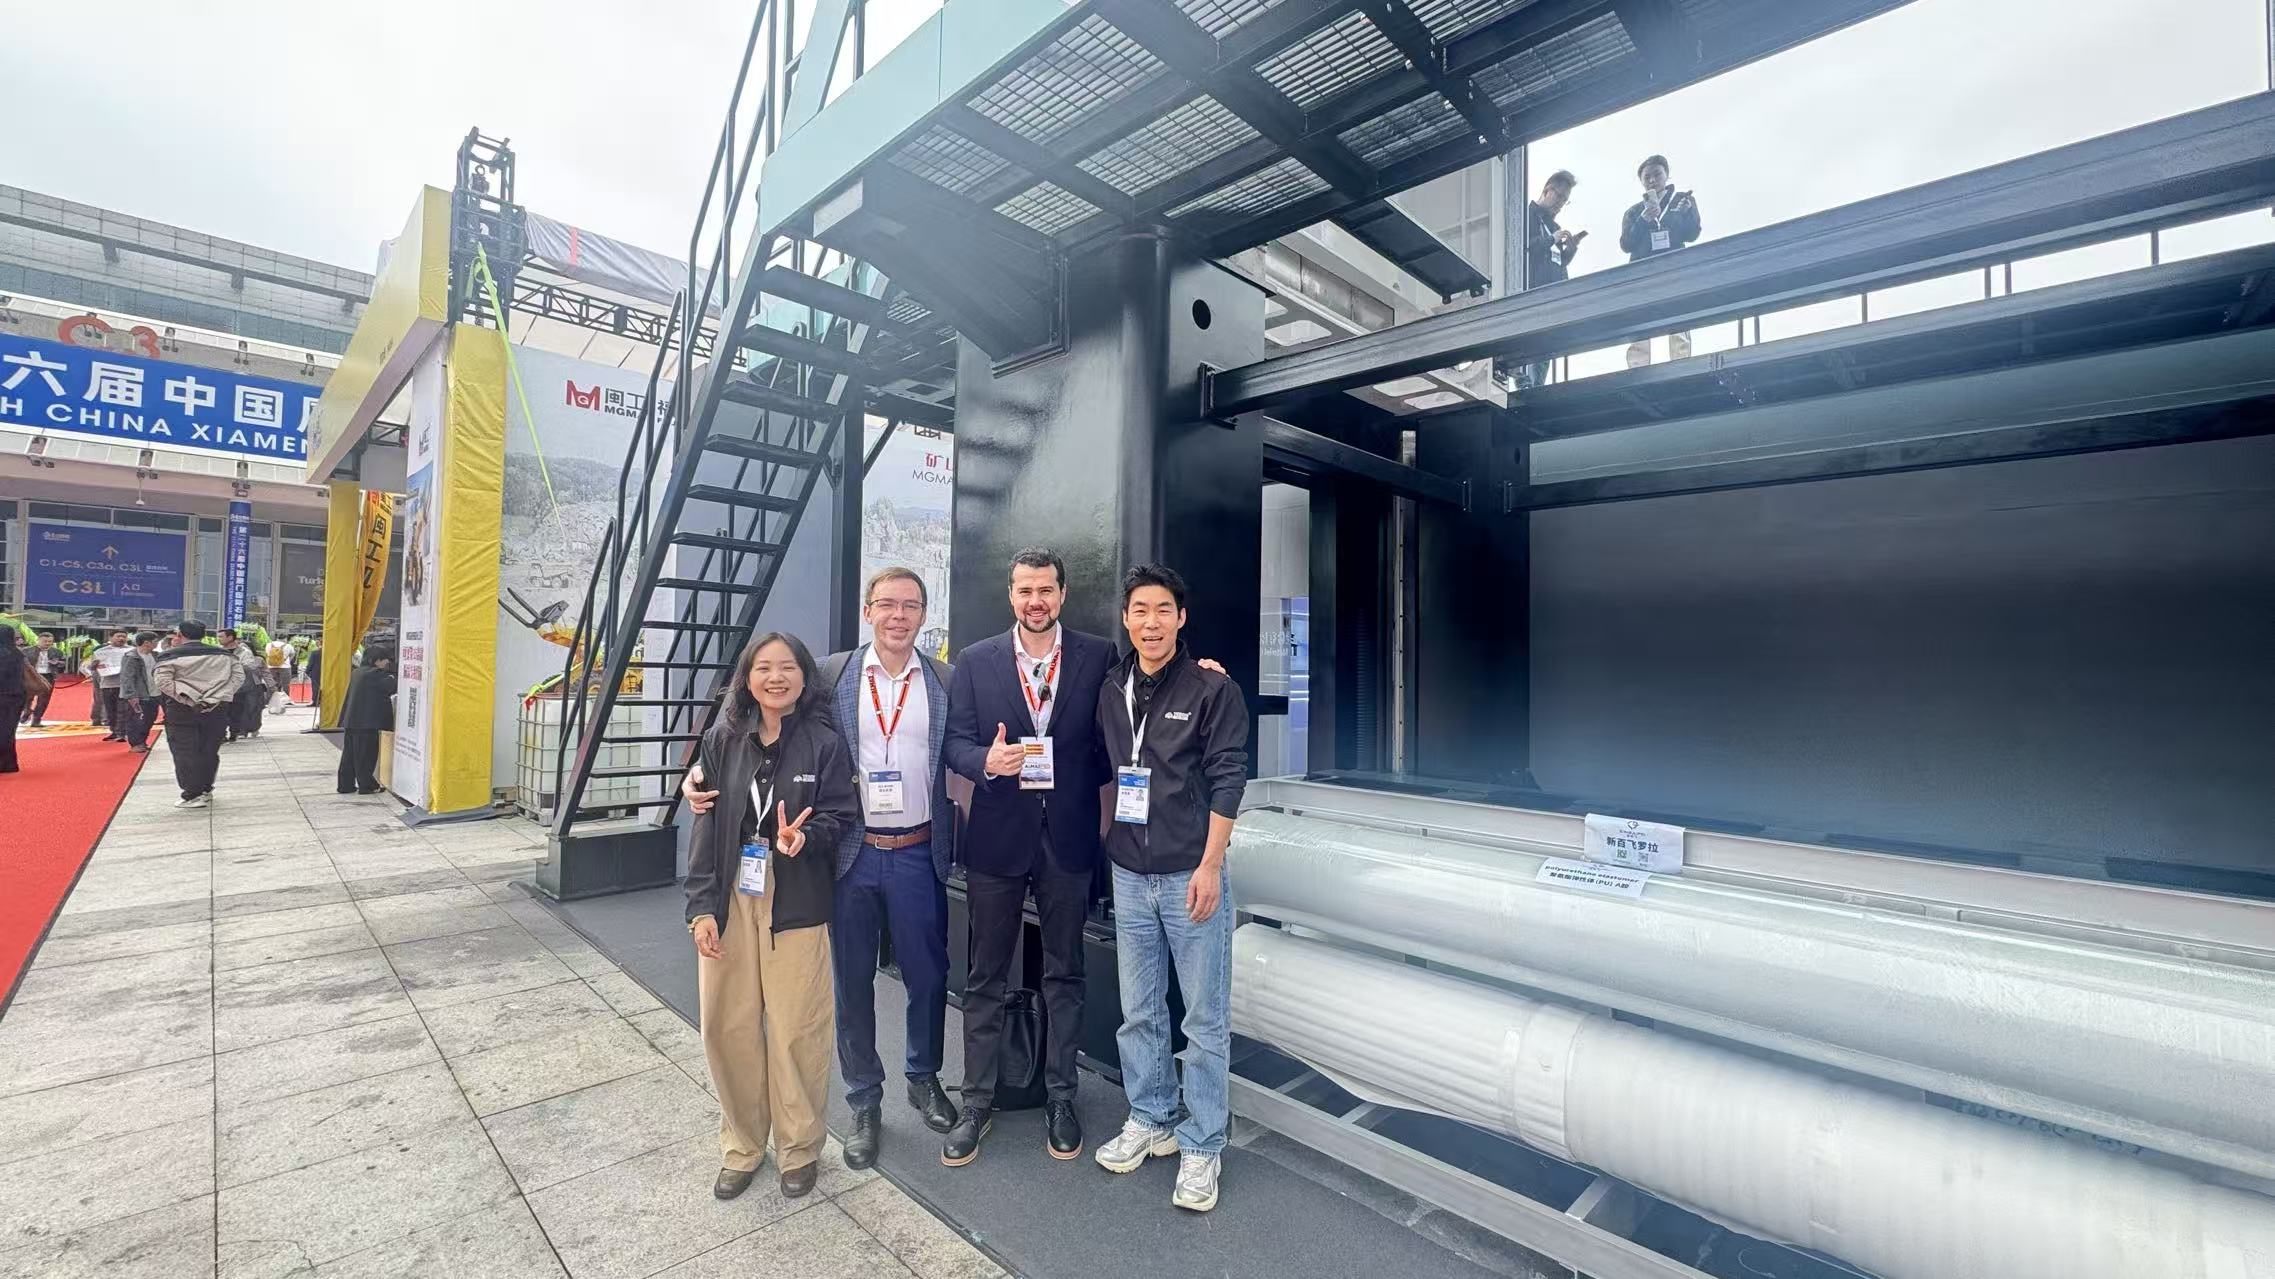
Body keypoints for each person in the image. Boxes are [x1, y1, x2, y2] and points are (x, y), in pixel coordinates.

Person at [682, 566, 961, 1168]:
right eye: (886, 604)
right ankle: (864, 1100)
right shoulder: (832, 674)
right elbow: (752, 721)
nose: (898, 616)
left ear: (923, 613)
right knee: (851, 981)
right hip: (851, 853)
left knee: (928, 975)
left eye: (910, 605)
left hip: (918, 849)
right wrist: (699, 775)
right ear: (868, 610)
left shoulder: (944, 678)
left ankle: (923, 1077)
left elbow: (963, 744)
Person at [938, 547, 1118, 1167]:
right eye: (1025, 591)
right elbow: (954, 743)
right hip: (997, 835)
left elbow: (1127, 719)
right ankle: (977, 1101)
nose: (1035, 601)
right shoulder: (976, 660)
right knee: (985, 974)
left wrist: (1202, 670)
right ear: (1010, 595)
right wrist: (984, 761)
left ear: (1062, 594)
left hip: (1068, 836)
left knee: (1065, 971)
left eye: (1046, 590)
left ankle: (1061, 1096)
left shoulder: (1097, 655)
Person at [1088, 564, 1251, 1211]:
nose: (1150, 622)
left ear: (1181, 618)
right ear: (1125, 618)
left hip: (1190, 874)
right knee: (1140, 1010)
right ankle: (1151, 1116)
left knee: (1203, 1018)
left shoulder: (1212, 688)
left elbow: (1229, 776)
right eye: (1139, 610)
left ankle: (1203, 1141)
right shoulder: (1112, 686)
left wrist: (1211, 865)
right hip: (1129, 872)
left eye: (1163, 610)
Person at [685, 631, 858, 1202]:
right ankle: (741, 1145)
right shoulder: (723, 738)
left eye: (788, 667)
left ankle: (799, 1147)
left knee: (796, 1027)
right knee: (725, 1024)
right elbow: (706, 821)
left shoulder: (824, 742)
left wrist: (804, 837)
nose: (776, 677)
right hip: (732, 891)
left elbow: (840, 816)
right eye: (764, 667)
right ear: (747, 677)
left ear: (806, 677)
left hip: (797, 896)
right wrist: (701, 907)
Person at [1619, 154, 1703, 368]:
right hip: (1641, 273)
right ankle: (1637, 367)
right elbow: (1626, 244)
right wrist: (1643, 220)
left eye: (1657, 174)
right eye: (1646, 177)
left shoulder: (1682, 200)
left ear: (1667, 175)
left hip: (1675, 269)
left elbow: (1692, 234)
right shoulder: (1634, 211)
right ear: (1641, 181)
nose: (1652, 180)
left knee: (1678, 316)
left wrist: (1686, 213)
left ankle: (1682, 364)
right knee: (1639, 319)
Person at [154, 620, 245, 809]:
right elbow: (238, 678)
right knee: (209, 750)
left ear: (180, 635)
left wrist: (190, 698)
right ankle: (205, 789)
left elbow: (163, 682)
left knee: (184, 751)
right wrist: (215, 698)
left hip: (181, 710)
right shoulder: (225, 655)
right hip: (217, 709)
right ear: (204, 634)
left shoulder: (169, 656)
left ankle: (192, 794)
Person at [1517, 169, 1585, 389]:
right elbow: (1524, 247)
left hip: (1553, 294)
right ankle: (1525, 384)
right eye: (1559, 196)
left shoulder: (1553, 226)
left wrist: (1570, 250)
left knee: (1545, 344)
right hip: (1531, 291)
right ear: (1547, 190)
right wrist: (1551, 239)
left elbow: (1557, 261)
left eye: (1565, 200)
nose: (1561, 203)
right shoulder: (1525, 214)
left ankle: (1537, 386)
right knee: (1529, 340)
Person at [337, 646, 396, 794]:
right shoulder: (375, 674)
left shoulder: (357, 672)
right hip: (366, 722)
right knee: (366, 755)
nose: (387, 663)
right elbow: (392, 686)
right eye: (385, 660)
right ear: (376, 660)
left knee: (349, 755)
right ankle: (367, 785)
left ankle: (345, 785)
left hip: (352, 720)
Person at [217, 629, 265, 741]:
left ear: (230, 637)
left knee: (236, 711)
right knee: (222, 711)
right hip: (222, 686)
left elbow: (250, 666)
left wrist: (231, 666)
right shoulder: (218, 651)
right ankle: (222, 734)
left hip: (239, 687)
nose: (219, 639)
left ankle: (234, 732)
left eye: (221, 637)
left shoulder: (244, 652)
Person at [117, 631, 161, 754]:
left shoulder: (155, 655)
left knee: (150, 719)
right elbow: (127, 677)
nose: (157, 644)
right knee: (136, 720)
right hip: (138, 694)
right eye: (155, 642)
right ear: (146, 643)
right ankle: (135, 743)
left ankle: (142, 741)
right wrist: (131, 695)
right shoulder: (131, 657)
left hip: (154, 693)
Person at [88, 631, 131, 738]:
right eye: (118, 636)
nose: (121, 638)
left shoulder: (131, 651)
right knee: (110, 710)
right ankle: (114, 731)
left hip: (125, 684)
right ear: (111, 638)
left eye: (124, 636)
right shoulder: (100, 651)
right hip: (107, 684)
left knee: (123, 709)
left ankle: (122, 732)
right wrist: (93, 666)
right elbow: (90, 667)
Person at [21, 632, 65, 727]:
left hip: (48, 676)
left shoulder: (57, 652)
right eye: (45, 641)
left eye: (50, 641)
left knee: (44, 700)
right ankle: (27, 711)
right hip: (32, 676)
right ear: (38, 640)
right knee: (27, 697)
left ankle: (36, 720)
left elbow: (63, 665)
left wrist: (58, 663)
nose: (47, 643)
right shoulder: (26, 651)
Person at [0, 629, 26, 773]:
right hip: (16, 696)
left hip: (3, 695)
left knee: (3, 731)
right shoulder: (17, 653)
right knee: (9, 730)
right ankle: (9, 763)